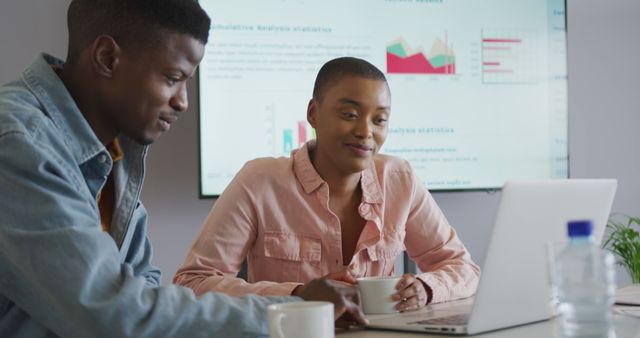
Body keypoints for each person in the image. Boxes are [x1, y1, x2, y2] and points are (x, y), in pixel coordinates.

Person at [0, 1, 366, 337]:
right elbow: (113, 314)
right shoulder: (18, 145)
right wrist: (294, 310)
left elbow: (144, 293)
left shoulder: (112, 155)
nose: (182, 102)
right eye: (173, 78)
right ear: (107, 57)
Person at [174, 57, 481, 312]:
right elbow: (192, 284)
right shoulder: (259, 181)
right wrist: (299, 295)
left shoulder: (400, 179)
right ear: (313, 113)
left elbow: (464, 269)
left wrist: (427, 288)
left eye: (379, 120)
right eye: (349, 114)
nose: (365, 131)